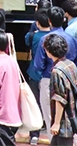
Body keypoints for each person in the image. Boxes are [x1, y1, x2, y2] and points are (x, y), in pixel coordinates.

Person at [31, 6, 77, 139]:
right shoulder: (72, 39)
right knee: (71, 115)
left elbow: (38, 65)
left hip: (49, 79)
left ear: (49, 21)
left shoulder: (45, 39)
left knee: (49, 118)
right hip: (71, 81)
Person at [43, 33, 77, 146]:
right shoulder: (70, 65)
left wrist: (57, 123)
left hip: (64, 123)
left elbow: (60, 99)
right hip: (73, 117)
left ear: (49, 51)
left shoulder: (56, 71)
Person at [25, 9, 51, 145]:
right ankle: (51, 132)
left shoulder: (32, 36)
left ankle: (34, 134)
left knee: (34, 103)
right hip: (49, 74)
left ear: (37, 23)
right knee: (50, 104)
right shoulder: (54, 36)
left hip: (34, 73)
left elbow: (26, 42)